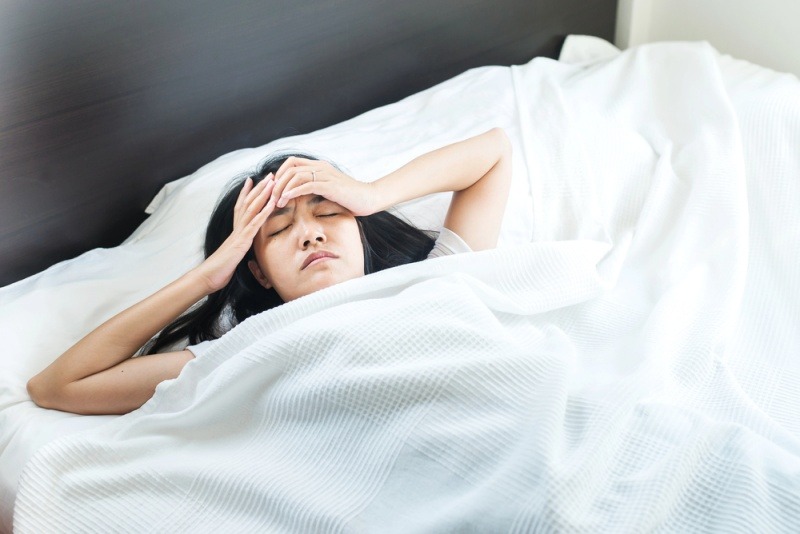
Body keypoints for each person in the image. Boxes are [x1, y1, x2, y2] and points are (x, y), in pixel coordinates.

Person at [26, 128, 512, 415]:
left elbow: (493, 152)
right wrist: (208, 277)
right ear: (259, 273)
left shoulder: (436, 278)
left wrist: (369, 195)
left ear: (361, 230)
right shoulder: (245, 351)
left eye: (328, 213)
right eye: (278, 230)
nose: (310, 234)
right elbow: (57, 386)